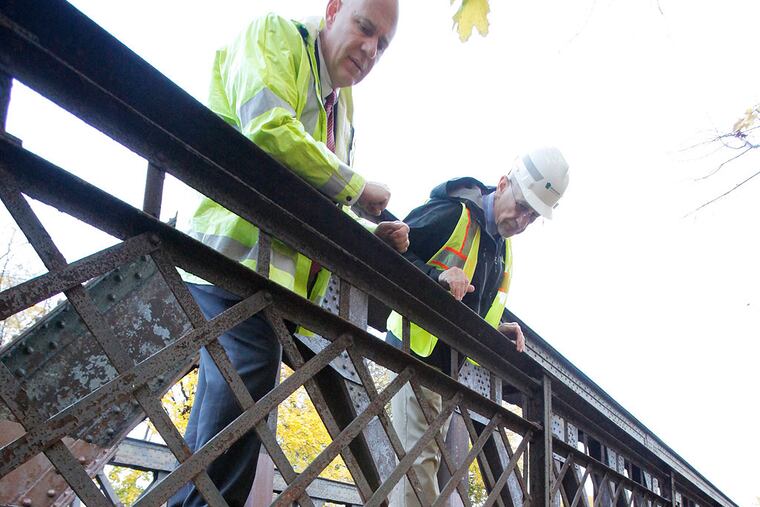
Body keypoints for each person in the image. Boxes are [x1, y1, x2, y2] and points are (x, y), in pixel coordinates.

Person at [171, 1, 403, 506]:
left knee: (224, 438)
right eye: (365, 29)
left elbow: (316, 194)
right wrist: (359, 188)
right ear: (334, 10)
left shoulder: (343, 108)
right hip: (232, 264)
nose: (370, 50)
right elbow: (268, 130)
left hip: (273, 289)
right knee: (230, 433)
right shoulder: (277, 35)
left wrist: (366, 233)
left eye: (382, 45)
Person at [385, 147, 571, 506]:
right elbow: (392, 247)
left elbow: (473, 305)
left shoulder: (502, 248)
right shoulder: (453, 214)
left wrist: (495, 328)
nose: (522, 221)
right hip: (414, 348)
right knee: (417, 468)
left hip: (447, 368)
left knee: (427, 465)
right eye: (520, 207)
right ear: (502, 185)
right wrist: (436, 275)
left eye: (532, 217)